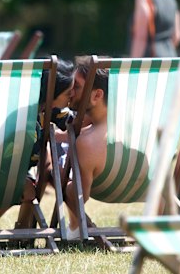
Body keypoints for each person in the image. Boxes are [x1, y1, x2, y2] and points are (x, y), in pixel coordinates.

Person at [0, 56, 75, 230]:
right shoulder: (21, 121)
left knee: (40, 177)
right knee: (28, 186)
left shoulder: (49, 110)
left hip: (20, 169)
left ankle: (22, 231)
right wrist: (21, 180)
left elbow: (74, 122)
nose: (72, 95)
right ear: (51, 94)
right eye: (68, 93)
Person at [63, 56, 109, 239]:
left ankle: (75, 229)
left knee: (54, 172)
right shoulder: (142, 132)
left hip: (103, 185)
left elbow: (81, 196)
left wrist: (61, 178)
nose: (70, 92)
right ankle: (74, 229)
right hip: (140, 189)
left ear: (97, 95)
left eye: (77, 87)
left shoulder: (88, 143)